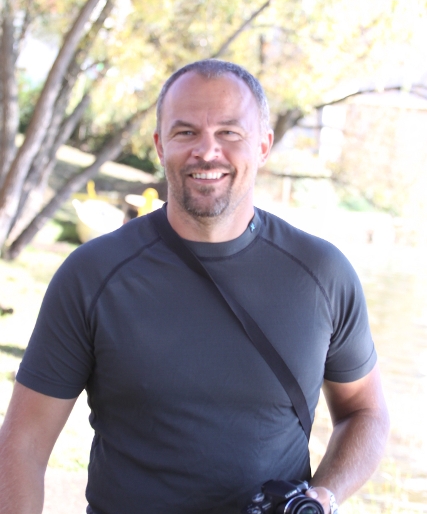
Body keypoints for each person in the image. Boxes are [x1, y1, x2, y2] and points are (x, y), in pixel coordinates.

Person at [0, 59, 389, 514]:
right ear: (160, 145)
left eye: (229, 132)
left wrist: (324, 495)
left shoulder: (323, 274)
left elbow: (365, 411)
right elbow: (23, 444)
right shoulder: (91, 275)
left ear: (263, 145)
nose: (207, 151)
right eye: (186, 132)